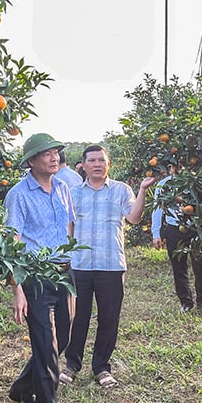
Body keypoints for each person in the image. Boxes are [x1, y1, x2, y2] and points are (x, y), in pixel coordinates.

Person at [61, 144, 155, 389]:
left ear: (108, 164)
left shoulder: (121, 190)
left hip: (111, 264)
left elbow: (133, 218)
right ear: (83, 165)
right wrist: (67, 255)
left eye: (101, 160)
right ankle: (71, 365)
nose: (97, 164)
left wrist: (143, 190)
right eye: (92, 160)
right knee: (77, 317)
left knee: (109, 318)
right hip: (80, 265)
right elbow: (69, 227)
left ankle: (102, 367)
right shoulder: (73, 192)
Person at [3, 132, 75, 403]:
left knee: (66, 339)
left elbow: (68, 229)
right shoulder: (18, 195)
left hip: (64, 272)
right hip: (35, 277)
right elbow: (11, 244)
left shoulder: (62, 188)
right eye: (46, 153)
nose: (54, 156)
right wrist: (17, 288)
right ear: (31, 161)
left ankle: (20, 387)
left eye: (56, 152)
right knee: (46, 348)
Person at [151, 167, 202, 314]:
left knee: (200, 266)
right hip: (174, 229)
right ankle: (186, 302)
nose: (175, 169)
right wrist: (156, 233)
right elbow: (157, 208)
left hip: (195, 227)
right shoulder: (164, 185)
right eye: (172, 165)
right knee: (178, 266)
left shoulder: (197, 181)